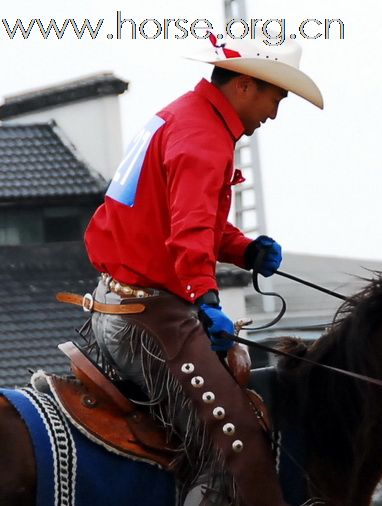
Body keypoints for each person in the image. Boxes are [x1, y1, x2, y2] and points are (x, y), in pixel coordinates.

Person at [83, 34, 323, 506]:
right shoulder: (204, 137)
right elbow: (189, 230)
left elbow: (185, 221)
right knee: (238, 447)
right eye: (276, 98)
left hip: (122, 301)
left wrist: (244, 249)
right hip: (148, 320)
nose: (274, 113)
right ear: (247, 86)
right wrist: (206, 299)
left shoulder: (184, 115)